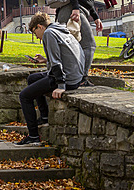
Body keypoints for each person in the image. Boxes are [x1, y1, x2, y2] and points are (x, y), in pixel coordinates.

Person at [16, 12, 85, 146]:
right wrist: (45, 60)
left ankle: (33, 136)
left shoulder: (49, 34)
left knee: (24, 96)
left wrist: (61, 86)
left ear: (40, 27)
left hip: (66, 79)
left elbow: (57, 62)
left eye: (35, 33)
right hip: (75, 76)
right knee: (32, 78)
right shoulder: (61, 30)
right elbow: (64, 56)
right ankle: (44, 116)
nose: (36, 37)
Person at [56, 0, 117, 85]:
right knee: (89, 44)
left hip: (80, 10)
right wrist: (76, 9)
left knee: (73, 46)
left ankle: (72, 77)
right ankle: (81, 79)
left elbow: (87, 0)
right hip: (70, 10)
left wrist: (96, 17)